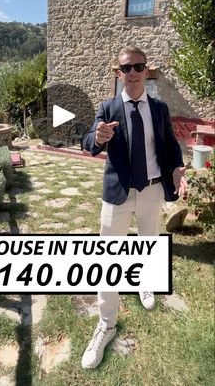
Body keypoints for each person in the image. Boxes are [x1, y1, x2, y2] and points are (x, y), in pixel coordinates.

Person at [81, 46, 187, 369]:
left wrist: (178, 167)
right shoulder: (107, 108)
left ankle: (143, 283)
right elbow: (89, 143)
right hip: (118, 195)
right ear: (119, 73)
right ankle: (106, 324)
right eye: (126, 68)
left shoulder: (159, 108)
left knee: (148, 244)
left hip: (152, 191)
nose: (133, 73)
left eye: (138, 67)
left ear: (146, 71)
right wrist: (97, 137)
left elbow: (169, 144)